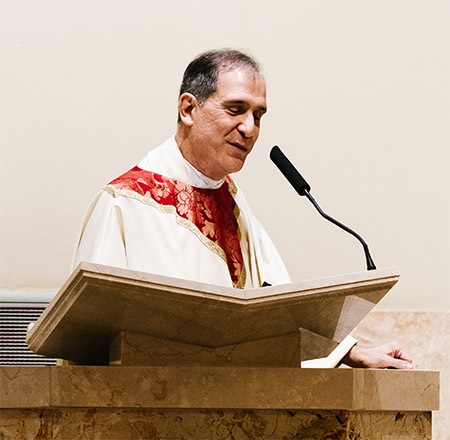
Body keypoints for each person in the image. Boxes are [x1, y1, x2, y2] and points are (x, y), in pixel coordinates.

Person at [73, 49, 412, 370]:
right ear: (188, 110)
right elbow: (89, 343)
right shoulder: (126, 204)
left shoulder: (231, 200)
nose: (250, 129)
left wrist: (350, 352)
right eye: (236, 109)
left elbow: (278, 306)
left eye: (258, 115)